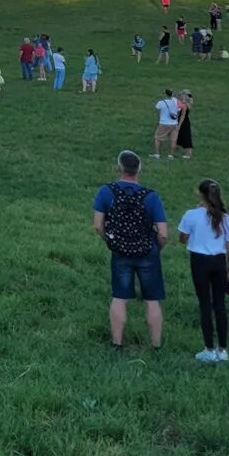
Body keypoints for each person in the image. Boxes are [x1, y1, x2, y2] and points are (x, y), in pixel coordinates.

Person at [92, 150, 168, 352]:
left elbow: (98, 225)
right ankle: (156, 346)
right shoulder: (151, 196)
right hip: (147, 251)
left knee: (120, 297)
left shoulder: (106, 191)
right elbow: (163, 233)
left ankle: (117, 343)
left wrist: (111, 241)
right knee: (152, 300)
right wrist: (156, 248)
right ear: (139, 170)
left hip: (120, 251)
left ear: (119, 168)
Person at [178, 179, 229, 362]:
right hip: (219, 262)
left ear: (200, 194)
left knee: (205, 304)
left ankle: (208, 348)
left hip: (199, 261)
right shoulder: (226, 219)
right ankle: (223, 350)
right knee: (220, 306)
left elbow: (182, 238)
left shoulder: (192, 215)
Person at [154, 91, 181, 159]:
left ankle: (157, 154)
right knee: (173, 140)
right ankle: (171, 155)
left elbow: (157, 111)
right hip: (174, 124)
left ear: (165, 94)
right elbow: (179, 111)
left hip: (164, 123)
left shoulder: (161, 102)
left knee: (157, 138)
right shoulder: (176, 102)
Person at [176, 90, 195, 161]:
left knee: (186, 137)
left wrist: (185, 101)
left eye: (184, 95)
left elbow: (188, 109)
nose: (181, 96)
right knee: (179, 136)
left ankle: (188, 154)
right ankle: (177, 149)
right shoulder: (181, 102)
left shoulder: (187, 104)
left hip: (185, 122)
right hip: (179, 121)